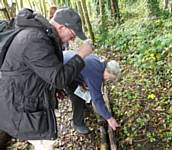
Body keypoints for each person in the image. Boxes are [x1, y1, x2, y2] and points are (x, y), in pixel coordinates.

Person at [0, 7, 92, 149]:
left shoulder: (41, 36)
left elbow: (40, 72)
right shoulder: (35, 39)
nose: (73, 39)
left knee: (46, 142)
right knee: (46, 143)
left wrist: (53, 89)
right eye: (73, 35)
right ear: (61, 27)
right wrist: (81, 55)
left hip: (23, 100)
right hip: (19, 106)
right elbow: (59, 77)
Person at [63, 50, 121, 134]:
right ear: (107, 71)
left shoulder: (101, 62)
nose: (108, 80)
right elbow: (97, 99)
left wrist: (82, 81)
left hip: (69, 61)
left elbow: (85, 70)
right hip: (63, 69)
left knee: (82, 91)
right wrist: (109, 118)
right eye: (109, 78)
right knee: (78, 98)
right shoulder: (96, 74)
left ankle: (84, 108)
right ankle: (78, 124)